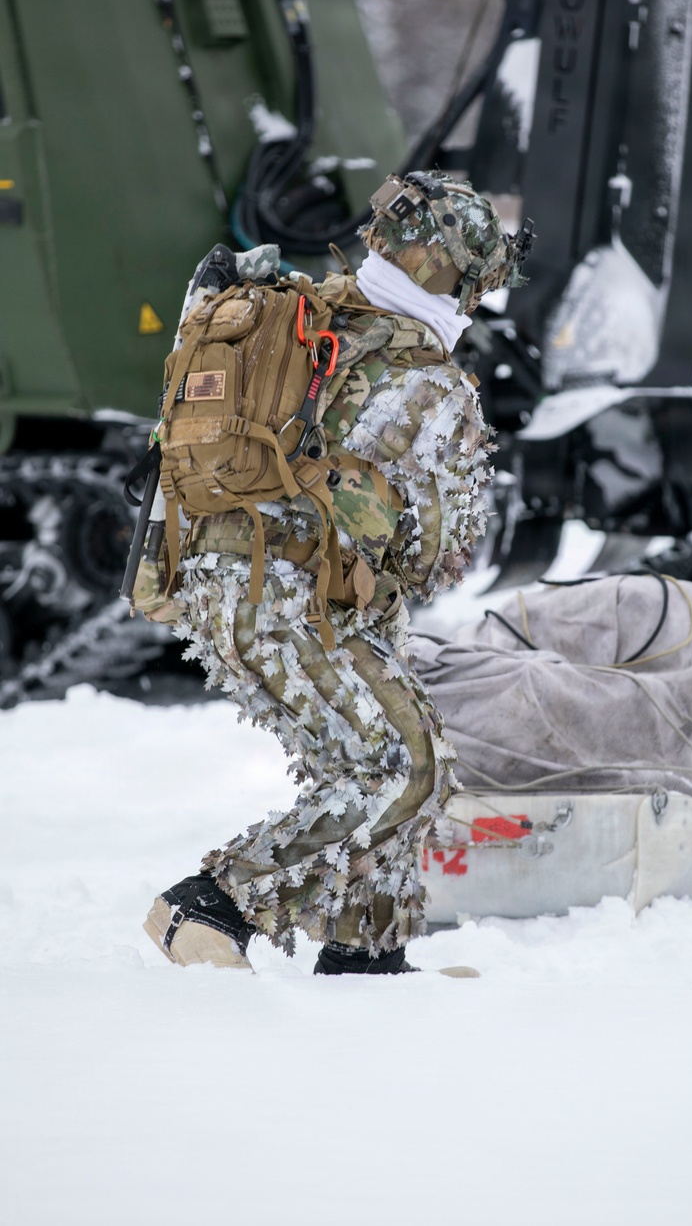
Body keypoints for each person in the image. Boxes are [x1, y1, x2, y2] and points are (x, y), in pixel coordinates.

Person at [138, 172, 530, 975]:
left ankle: (365, 957)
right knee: (403, 768)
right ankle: (208, 904)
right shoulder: (430, 379)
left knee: (394, 751)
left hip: (223, 583)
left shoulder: (300, 311)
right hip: (285, 603)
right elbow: (431, 553)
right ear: (460, 278)